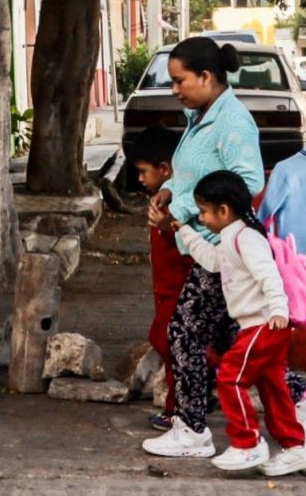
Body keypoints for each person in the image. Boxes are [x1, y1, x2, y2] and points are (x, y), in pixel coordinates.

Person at [140, 37, 306, 457]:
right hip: (206, 245)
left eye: (179, 81)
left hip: (223, 245)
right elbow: (194, 172)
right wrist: (170, 192)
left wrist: (186, 209)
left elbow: (247, 181)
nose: (174, 90)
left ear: (206, 77)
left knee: (184, 333)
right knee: (233, 339)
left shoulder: (233, 123)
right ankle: (300, 396)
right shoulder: (200, 115)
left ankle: (192, 429)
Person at [172, 171, 306, 474]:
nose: (203, 218)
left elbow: (269, 275)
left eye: (203, 212)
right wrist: (186, 232)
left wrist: (278, 308)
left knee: (230, 378)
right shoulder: (231, 238)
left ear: (223, 210)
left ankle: (248, 444)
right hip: (259, 325)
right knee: (273, 388)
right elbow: (212, 261)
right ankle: (295, 447)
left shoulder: (247, 238)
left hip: (266, 324)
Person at [127, 125, 190, 431]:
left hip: (178, 288)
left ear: (165, 169)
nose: (140, 178)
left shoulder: (177, 205)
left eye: (143, 171)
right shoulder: (160, 199)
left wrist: (168, 227)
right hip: (165, 287)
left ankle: (176, 410)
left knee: (170, 344)